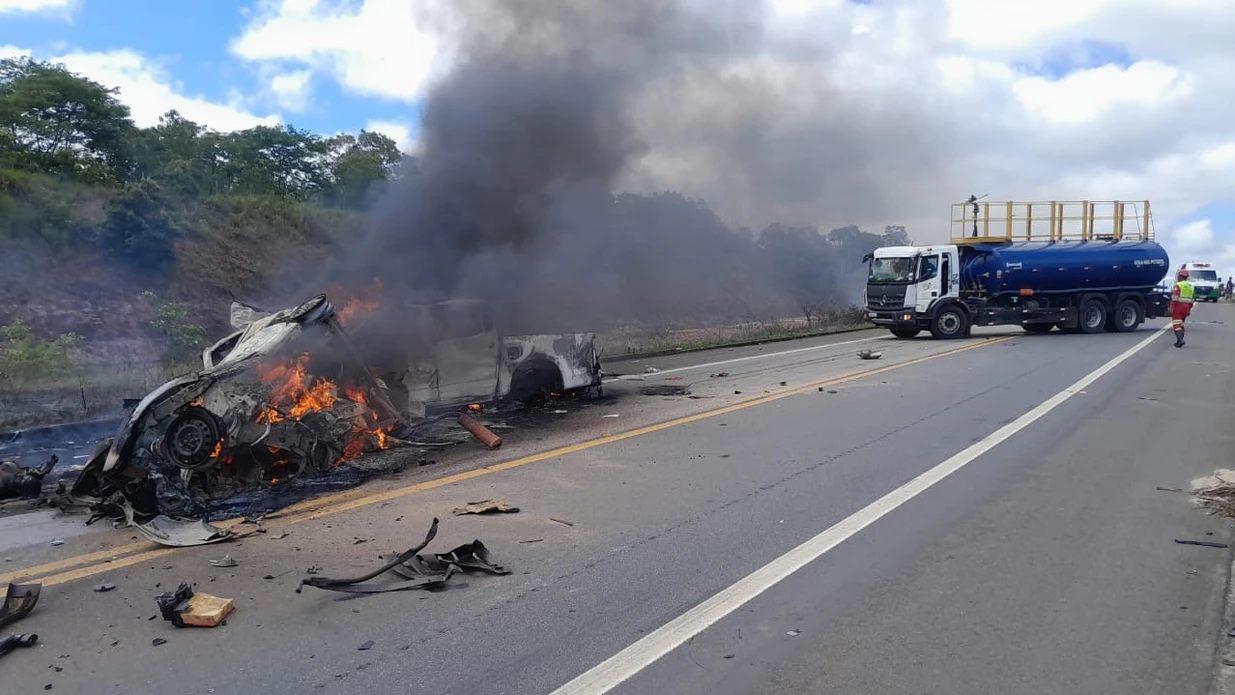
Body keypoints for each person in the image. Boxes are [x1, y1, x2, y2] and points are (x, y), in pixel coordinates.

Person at [1170, 269, 1195, 347]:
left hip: (1178, 307)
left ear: (1181, 276)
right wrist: (1189, 309)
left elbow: (1174, 298)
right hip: (1186, 307)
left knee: (1176, 324)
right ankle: (1179, 341)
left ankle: (1180, 341)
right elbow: (1192, 300)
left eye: (1178, 276)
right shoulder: (1191, 286)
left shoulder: (1178, 285)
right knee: (1181, 324)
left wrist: (1171, 307)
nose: (1177, 277)